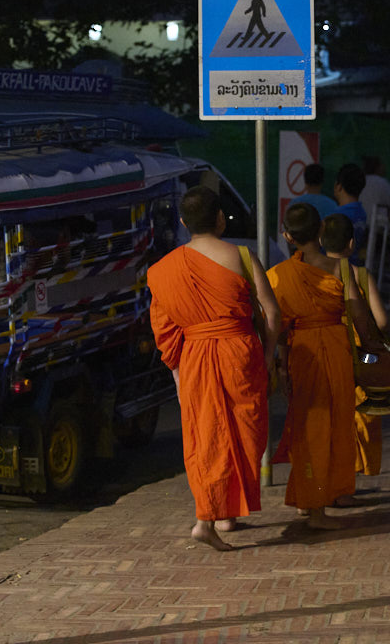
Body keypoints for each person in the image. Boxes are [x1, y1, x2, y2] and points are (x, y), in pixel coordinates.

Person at [146, 186, 281, 551]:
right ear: (221, 218)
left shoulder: (164, 270)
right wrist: (268, 355)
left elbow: (165, 331)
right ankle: (207, 519)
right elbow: (271, 312)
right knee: (244, 434)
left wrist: (177, 374)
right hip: (240, 353)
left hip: (195, 357)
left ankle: (223, 515)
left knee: (207, 436)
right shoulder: (242, 256)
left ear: (183, 222)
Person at [267, 203, 367, 529]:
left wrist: (282, 367)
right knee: (333, 426)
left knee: (308, 429)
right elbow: (360, 316)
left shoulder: (279, 276)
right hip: (337, 351)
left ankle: (308, 498)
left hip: (303, 354)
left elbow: (278, 327)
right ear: (321, 229)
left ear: (287, 237)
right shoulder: (341, 269)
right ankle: (317, 508)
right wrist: (374, 350)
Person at [321, 212, 389, 479]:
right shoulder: (360, 275)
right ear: (351, 244)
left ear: (321, 241)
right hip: (361, 356)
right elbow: (382, 321)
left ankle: (335, 478)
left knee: (331, 414)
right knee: (360, 412)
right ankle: (352, 473)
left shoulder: (313, 274)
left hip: (327, 351)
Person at [332, 162, 368, 264]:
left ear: (338, 186)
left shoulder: (335, 217)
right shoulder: (362, 214)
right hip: (354, 268)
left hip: (334, 269)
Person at [359, 155, 390, 231]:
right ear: (377, 168)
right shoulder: (382, 182)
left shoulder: (359, 182)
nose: (384, 168)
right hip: (379, 227)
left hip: (360, 225)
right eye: (382, 165)